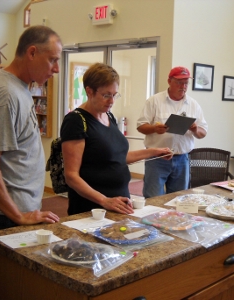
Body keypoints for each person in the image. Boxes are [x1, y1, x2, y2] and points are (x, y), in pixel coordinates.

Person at [0, 26, 62, 232]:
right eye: (53, 60)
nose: (56, 69)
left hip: (15, 211)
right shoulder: (5, 93)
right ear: (32, 53)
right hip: (6, 215)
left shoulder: (18, 88)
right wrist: (18, 215)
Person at [60, 63, 173, 215]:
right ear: (89, 91)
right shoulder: (76, 121)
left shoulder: (109, 116)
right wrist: (104, 200)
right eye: (106, 95)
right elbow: (71, 176)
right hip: (92, 209)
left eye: (115, 95)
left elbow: (118, 157)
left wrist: (154, 151)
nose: (111, 101)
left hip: (118, 204)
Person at [137, 66, 208, 198]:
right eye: (179, 82)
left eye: (186, 83)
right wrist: (154, 128)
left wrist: (195, 129)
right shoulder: (154, 101)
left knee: (179, 199)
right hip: (157, 158)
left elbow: (203, 133)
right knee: (153, 198)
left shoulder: (193, 104)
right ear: (169, 81)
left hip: (182, 158)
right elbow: (141, 126)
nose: (183, 86)